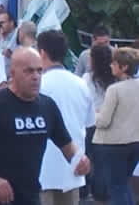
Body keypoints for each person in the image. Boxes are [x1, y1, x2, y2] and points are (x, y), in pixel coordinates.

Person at [0, 48, 91, 205]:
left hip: (30, 195)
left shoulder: (47, 106)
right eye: (29, 71)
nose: (36, 77)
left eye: (39, 71)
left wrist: (80, 159)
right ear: (12, 73)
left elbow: (66, 144)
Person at [36, 31, 95, 205]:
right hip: (73, 167)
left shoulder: (37, 84)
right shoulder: (81, 84)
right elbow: (89, 124)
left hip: (42, 167)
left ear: (42, 53)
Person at [93, 47, 139, 205]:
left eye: (114, 63)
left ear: (124, 66)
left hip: (114, 145)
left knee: (116, 188)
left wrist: (95, 114)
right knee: (124, 185)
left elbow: (103, 121)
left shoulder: (114, 89)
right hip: (135, 142)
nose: (110, 66)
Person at [82, 44, 114, 204]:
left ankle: (86, 191)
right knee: (103, 161)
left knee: (87, 157)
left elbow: (84, 100)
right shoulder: (115, 77)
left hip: (90, 123)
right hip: (110, 123)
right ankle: (103, 193)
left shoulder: (87, 78)